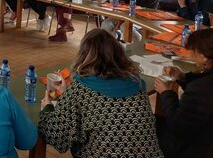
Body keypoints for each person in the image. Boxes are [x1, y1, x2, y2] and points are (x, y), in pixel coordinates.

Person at [39, 29, 163, 157]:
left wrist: (47, 108)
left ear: (83, 56)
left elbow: (57, 139)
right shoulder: (137, 83)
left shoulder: (80, 89)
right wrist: (68, 94)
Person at [154, 28, 213, 158]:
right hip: (204, 135)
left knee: (146, 124)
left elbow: (177, 126)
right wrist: (183, 77)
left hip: (190, 148)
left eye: (193, 51)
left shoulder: (199, 90)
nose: (191, 55)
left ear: (204, 57)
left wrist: (167, 92)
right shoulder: (204, 84)